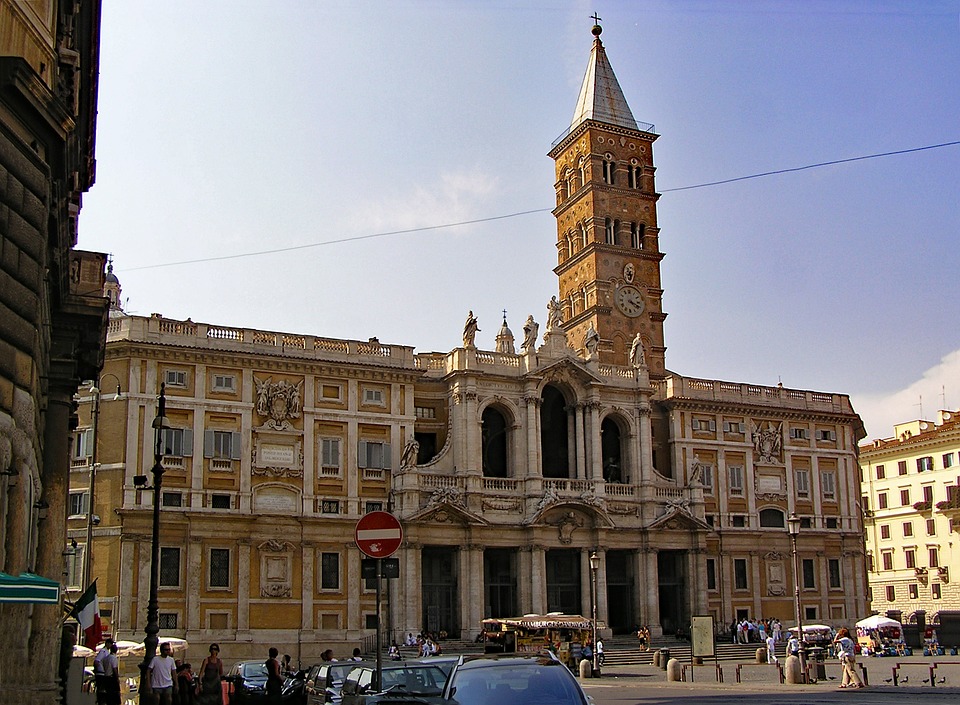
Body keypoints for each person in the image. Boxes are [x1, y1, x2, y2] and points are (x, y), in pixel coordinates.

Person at [93, 637, 114, 705]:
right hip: (100, 674)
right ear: (107, 643)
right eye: (110, 643)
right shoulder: (103, 651)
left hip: (104, 673)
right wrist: (96, 670)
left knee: (104, 691)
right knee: (101, 690)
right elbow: (97, 661)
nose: (111, 645)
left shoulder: (107, 652)